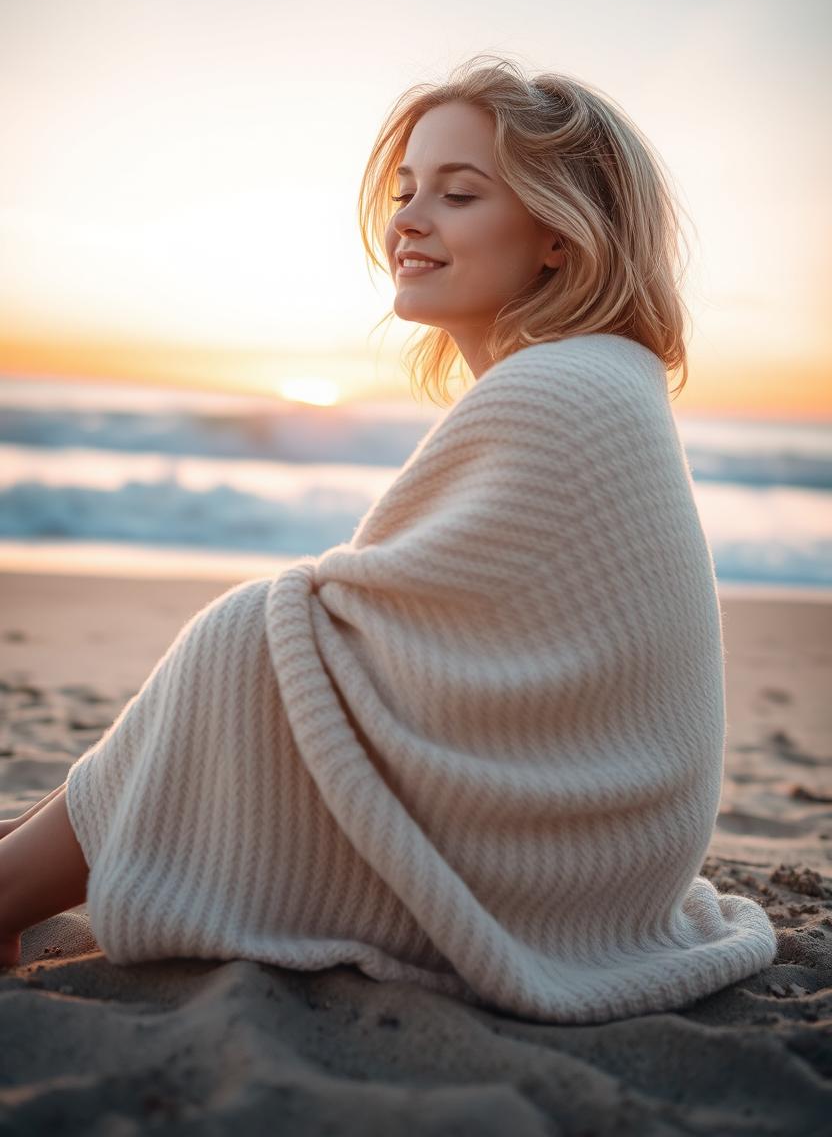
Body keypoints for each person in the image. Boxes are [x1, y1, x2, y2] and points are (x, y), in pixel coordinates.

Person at [0, 55, 777, 1021]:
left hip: (557, 862)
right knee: (263, 636)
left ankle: (4, 892)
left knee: (251, 637)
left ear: (562, 241)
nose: (407, 219)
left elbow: (358, 633)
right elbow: (428, 630)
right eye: (406, 189)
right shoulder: (591, 374)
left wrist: (270, 634)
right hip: (608, 847)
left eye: (458, 194)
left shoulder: (560, 385)